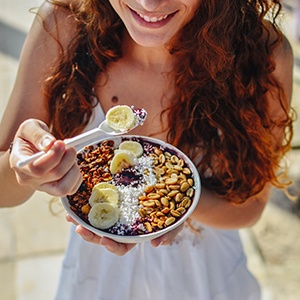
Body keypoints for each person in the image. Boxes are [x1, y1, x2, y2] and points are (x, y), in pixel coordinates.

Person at [0, 0, 295, 299]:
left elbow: (251, 207)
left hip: (204, 276)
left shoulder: (261, 53)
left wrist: (176, 206)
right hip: (99, 279)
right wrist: (23, 167)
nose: (149, 4)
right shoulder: (64, 27)